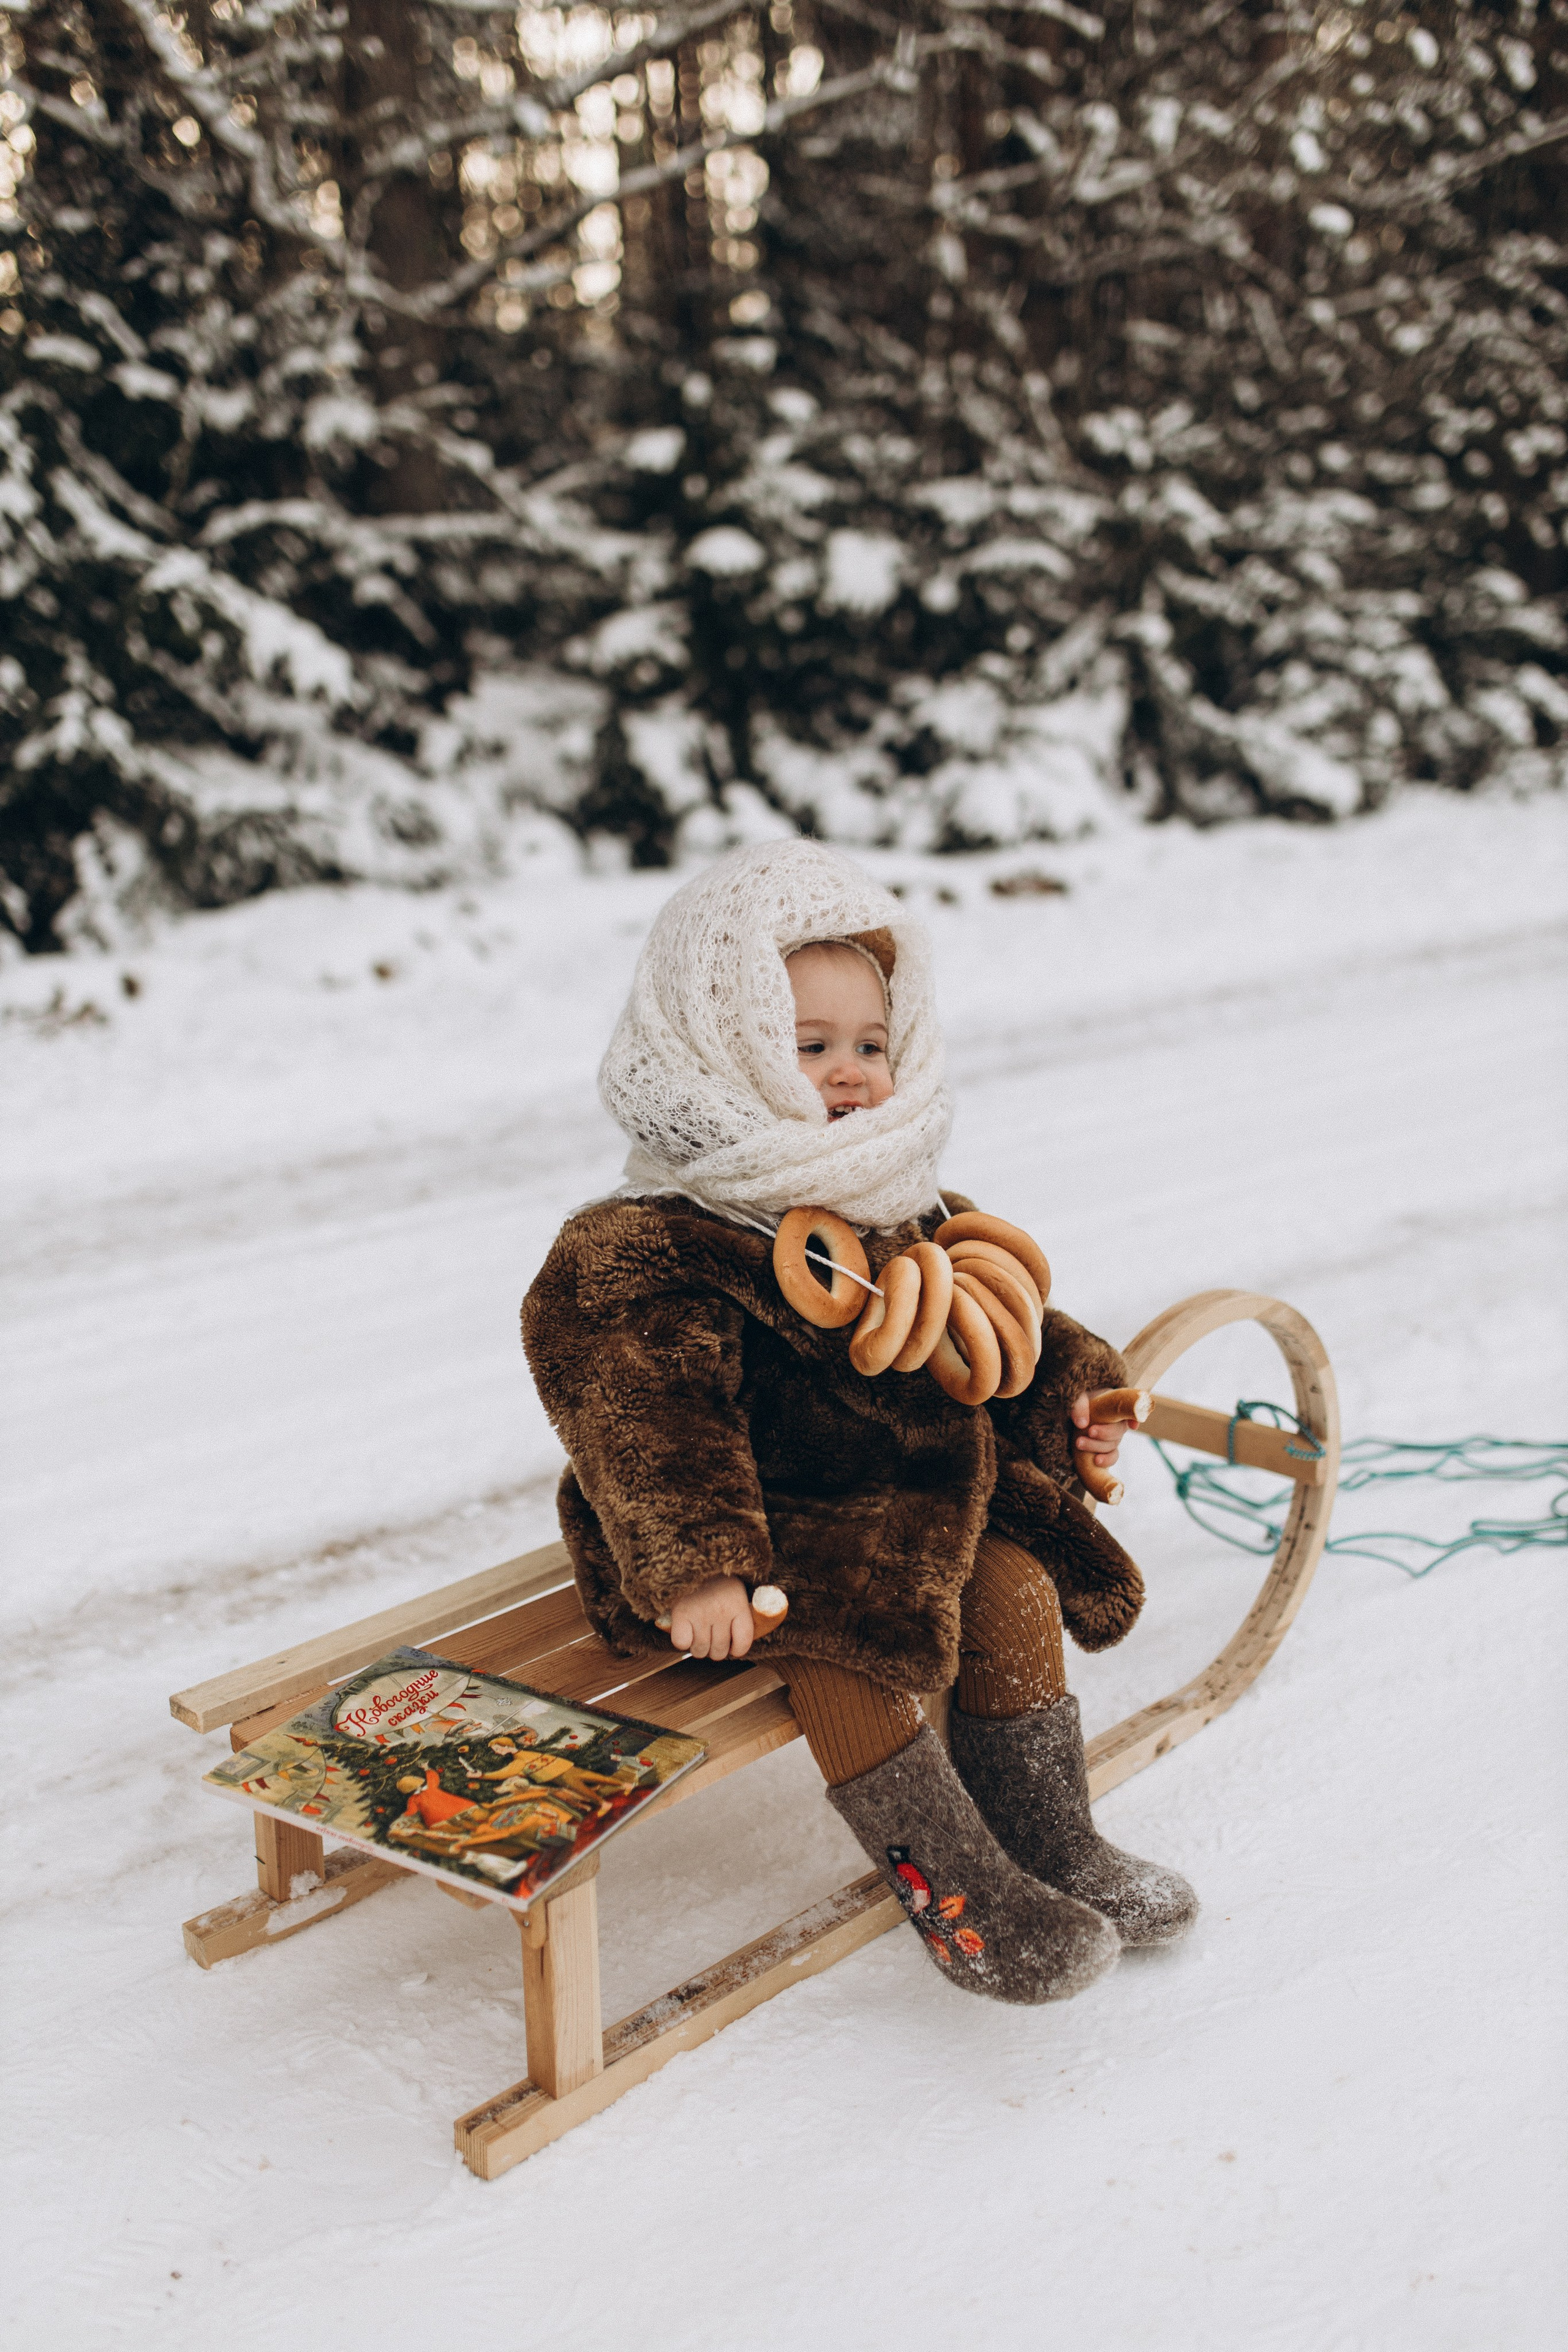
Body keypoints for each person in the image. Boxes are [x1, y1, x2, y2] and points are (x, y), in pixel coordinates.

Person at [522, 840, 1195, 2006]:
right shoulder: (648, 1239)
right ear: (720, 1046)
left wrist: (1074, 1386)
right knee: (860, 1650)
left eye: (870, 1046)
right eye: (811, 1046)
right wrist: (701, 1566)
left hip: (910, 1495)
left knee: (1016, 1591)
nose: (850, 1076)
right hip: (760, 1539)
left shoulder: (888, 1192)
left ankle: (1051, 1837)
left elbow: (990, 1319)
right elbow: (642, 1411)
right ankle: (959, 1892)